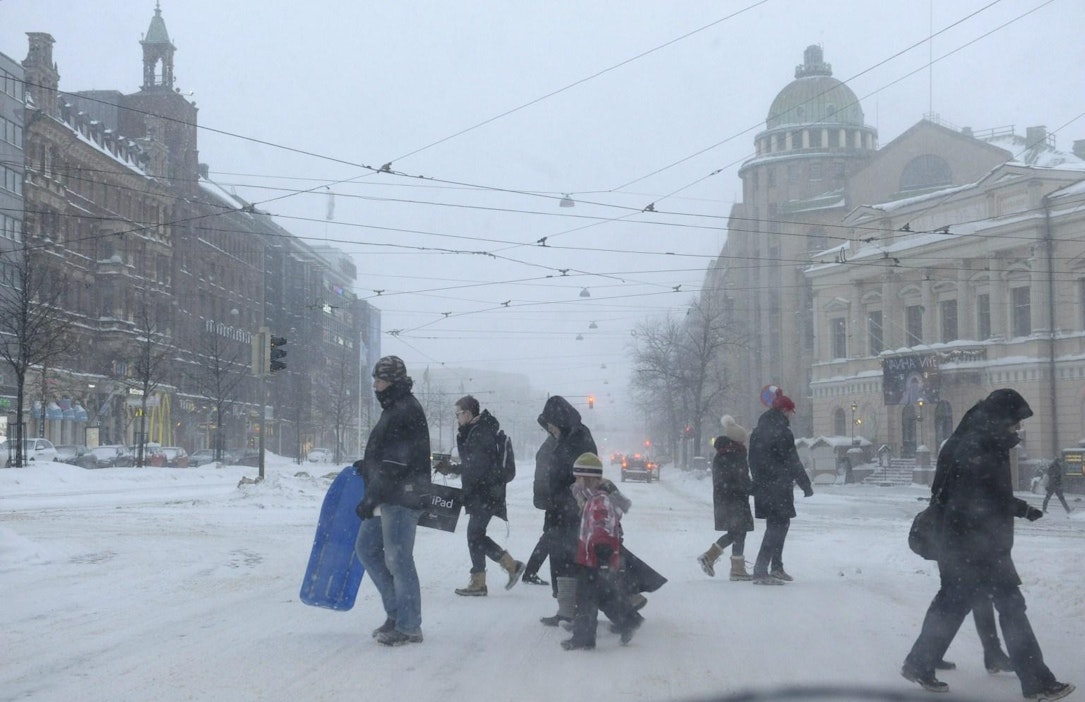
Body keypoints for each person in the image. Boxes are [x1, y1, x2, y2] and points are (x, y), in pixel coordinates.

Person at [901, 389, 1074, 700]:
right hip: (978, 546)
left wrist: (1019, 508)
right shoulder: (978, 445)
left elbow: (980, 495)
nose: (1016, 429)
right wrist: (985, 538)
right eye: (1014, 423)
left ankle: (919, 663)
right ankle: (1037, 682)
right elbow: (972, 501)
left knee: (953, 604)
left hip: (964, 544)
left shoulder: (972, 439)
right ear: (1000, 419)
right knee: (1010, 606)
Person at [353, 356, 431, 647]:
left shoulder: (404, 410)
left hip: (402, 496)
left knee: (398, 559)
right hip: (390, 494)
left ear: (394, 382)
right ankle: (397, 614)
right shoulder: (395, 407)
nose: (375, 385)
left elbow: (396, 463)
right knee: (367, 549)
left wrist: (371, 494)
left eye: (380, 379)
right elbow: (387, 456)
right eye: (375, 379)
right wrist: (368, 465)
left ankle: (409, 626)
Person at [930, 402, 1013, 675]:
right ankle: (924, 658)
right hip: (956, 537)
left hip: (957, 536)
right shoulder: (963, 448)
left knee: (975, 597)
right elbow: (959, 494)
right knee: (953, 600)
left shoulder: (957, 444)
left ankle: (991, 653)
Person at [433, 395, 525, 596]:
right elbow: (474, 465)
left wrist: (452, 468)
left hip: (485, 494)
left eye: (458, 414)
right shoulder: (475, 431)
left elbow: (476, 467)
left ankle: (487, 578)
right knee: (476, 536)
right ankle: (504, 569)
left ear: (467, 413)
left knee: (474, 536)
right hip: (483, 493)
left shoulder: (480, 432)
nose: (456, 418)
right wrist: (453, 468)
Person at [561, 452, 639, 650]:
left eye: (579, 477)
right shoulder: (591, 498)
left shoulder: (600, 500)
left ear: (589, 478)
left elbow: (603, 526)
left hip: (595, 558)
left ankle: (584, 638)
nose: (576, 481)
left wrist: (602, 549)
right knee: (603, 596)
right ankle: (627, 620)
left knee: (586, 600)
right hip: (590, 557)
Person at [536, 395, 597, 627]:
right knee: (561, 558)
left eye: (550, 423)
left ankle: (621, 605)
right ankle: (566, 610)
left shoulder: (577, 437)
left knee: (575, 560)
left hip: (573, 510)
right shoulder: (566, 437)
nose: (549, 429)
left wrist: (567, 500)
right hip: (560, 509)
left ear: (559, 420)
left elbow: (586, 476)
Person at [747, 388, 813, 585]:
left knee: (775, 525)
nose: (791, 415)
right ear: (784, 410)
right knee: (778, 527)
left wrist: (759, 481)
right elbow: (792, 461)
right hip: (779, 487)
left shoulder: (757, 432)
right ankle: (761, 570)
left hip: (765, 486)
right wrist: (805, 484)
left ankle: (776, 567)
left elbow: (752, 460)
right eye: (790, 412)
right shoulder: (783, 433)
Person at [697, 416, 754, 581]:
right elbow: (742, 480)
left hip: (726, 499)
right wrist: (756, 488)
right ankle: (732, 568)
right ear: (738, 440)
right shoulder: (735, 454)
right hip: (735, 499)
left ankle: (719, 560)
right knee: (739, 532)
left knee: (736, 532)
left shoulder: (724, 453)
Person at [520, 433, 558, 587]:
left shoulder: (550, 444)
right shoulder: (553, 446)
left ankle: (531, 572)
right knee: (551, 536)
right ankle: (534, 574)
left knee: (550, 536)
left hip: (551, 497)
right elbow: (544, 474)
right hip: (553, 498)